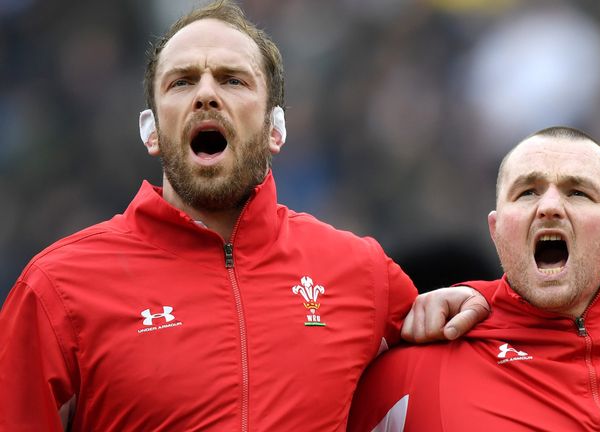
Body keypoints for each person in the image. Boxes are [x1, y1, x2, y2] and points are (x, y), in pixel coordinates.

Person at [0, 2, 490, 431]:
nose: (206, 95)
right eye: (181, 81)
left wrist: (474, 299)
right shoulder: (56, 289)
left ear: (276, 128)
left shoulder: (360, 272)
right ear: (150, 131)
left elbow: (509, 347)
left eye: (233, 80)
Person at [348, 126, 600, 431]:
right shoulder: (409, 375)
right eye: (527, 191)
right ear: (496, 230)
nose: (549, 206)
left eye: (578, 192)